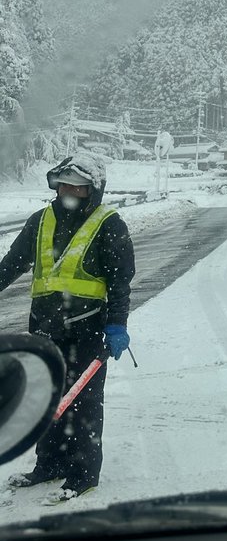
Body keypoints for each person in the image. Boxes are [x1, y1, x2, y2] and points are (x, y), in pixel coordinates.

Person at [0, 153, 135, 499]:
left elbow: (120, 282)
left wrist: (117, 325)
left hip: (87, 330)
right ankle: (49, 465)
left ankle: (83, 473)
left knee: (84, 404)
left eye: (79, 186)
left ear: (94, 190)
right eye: (65, 184)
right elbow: (11, 264)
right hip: (43, 328)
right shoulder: (40, 220)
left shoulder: (109, 223)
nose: (70, 191)